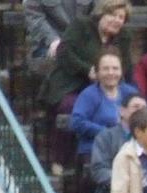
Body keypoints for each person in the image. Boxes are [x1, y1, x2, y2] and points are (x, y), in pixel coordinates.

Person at [38, 0, 133, 176]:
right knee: (71, 107)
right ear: (101, 14)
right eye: (112, 15)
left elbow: (126, 65)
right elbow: (64, 53)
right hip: (71, 83)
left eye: (121, 17)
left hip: (105, 87)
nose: (117, 20)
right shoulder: (81, 25)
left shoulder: (123, 37)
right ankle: (60, 159)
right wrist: (87, 70)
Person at [70, 51, 139, 159]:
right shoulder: (89, 94)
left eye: (115, 68)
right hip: (96, 149)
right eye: (105, 69)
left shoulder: (131, 93)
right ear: (97, 72)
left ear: (121, 71)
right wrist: (107, 133)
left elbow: (143, 117)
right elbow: (77, 122)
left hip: (129, 147)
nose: (111, 72)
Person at [89, 94, 147, 193]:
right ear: (122, 111)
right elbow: (99, 171)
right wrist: (129, 181)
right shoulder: (106, 137)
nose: (141, 111)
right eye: (136, 107)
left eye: (144, 108)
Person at [24, 0, 94, 73]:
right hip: (48, 43)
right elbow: (34, 16)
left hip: (84, 39)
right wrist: (52, 39)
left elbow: (98, 11)